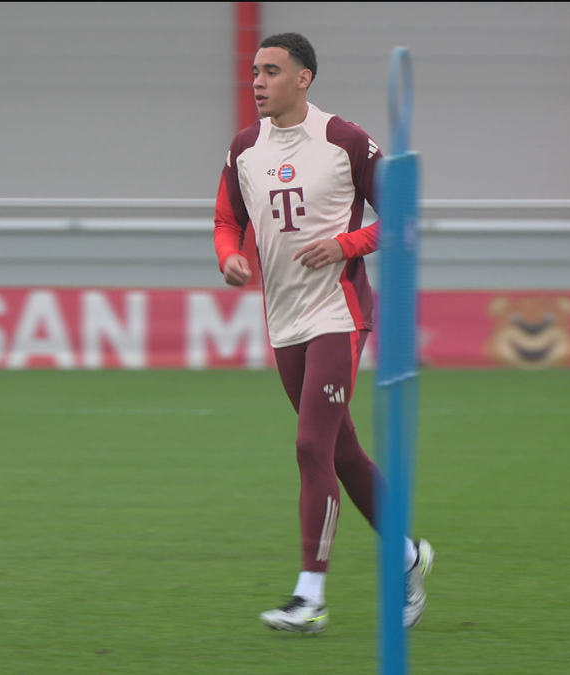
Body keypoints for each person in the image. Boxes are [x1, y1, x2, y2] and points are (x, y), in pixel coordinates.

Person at [213, 32, 433, 634]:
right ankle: (409, 554)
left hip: (338, 313)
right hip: (283, 319)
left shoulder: (345, 140)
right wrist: (229, 255)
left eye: (271, 71)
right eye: (255, 71)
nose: (257, 81)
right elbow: (227, 218)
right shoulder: (244, 149)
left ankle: (309, 596)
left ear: (304, 78)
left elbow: (404, 214)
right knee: (341, 453)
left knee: (311, 447)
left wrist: (344, 244)